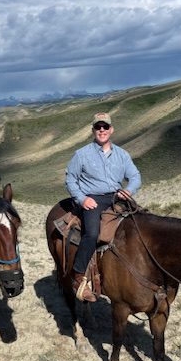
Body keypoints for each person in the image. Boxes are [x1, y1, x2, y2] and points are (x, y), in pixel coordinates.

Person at [65, 112, 141, 302]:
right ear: (93, 130)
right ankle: (78, 276)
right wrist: (82, 199)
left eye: (105, 127)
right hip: (93, 199)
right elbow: (70, 179)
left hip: (117, 197)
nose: (102, 130)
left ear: (111, 130)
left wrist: (129, 191)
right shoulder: (81, 154)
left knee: (140, 223)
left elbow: (135, 176)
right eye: (98, 127)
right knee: (91, 234)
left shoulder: (122, 154)